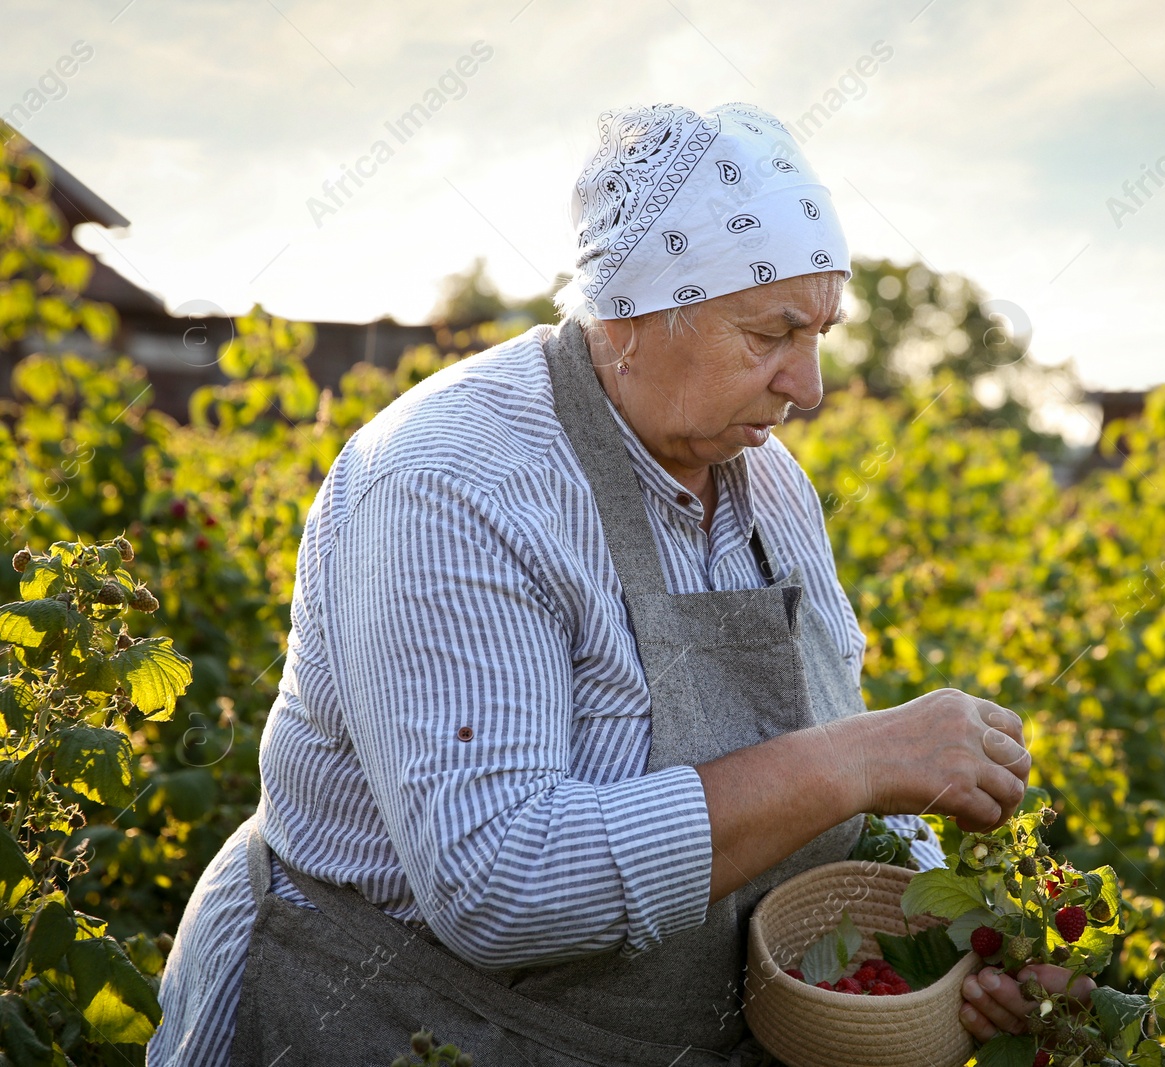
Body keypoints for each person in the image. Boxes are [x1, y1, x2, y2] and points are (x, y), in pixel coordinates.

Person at [151, 101, 1087, 1066]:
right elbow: (499, 882)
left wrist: (949, 936)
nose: (807, 387)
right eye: (770, 333)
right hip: (401, 1020)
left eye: (821, 332)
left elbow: (842, 745)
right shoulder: (454, 484)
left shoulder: (767, 483)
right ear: (634, 318)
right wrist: (852, 760)